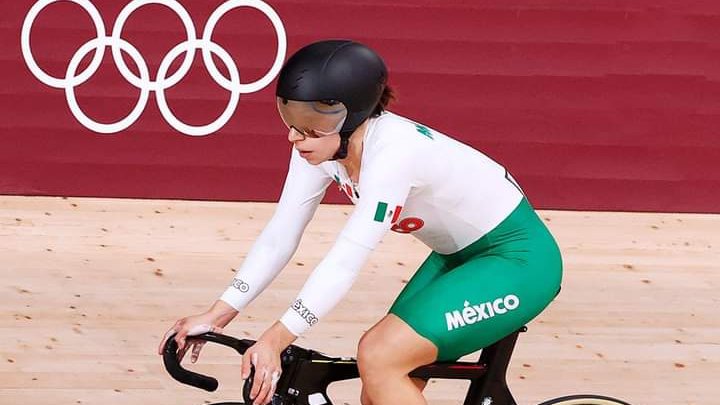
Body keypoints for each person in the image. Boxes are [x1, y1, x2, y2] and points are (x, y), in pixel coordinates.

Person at [158, 39, 563, 405]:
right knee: (380, 384)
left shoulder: (394, 155)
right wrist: (218, 313)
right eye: (290, 117)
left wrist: (278, 336)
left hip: (520, 263)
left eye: (311, 121)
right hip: (457, 257)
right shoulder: (320, 146)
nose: (295, 137)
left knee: (379, 355)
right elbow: (280, 237)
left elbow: (347, 258)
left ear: (351, 118)